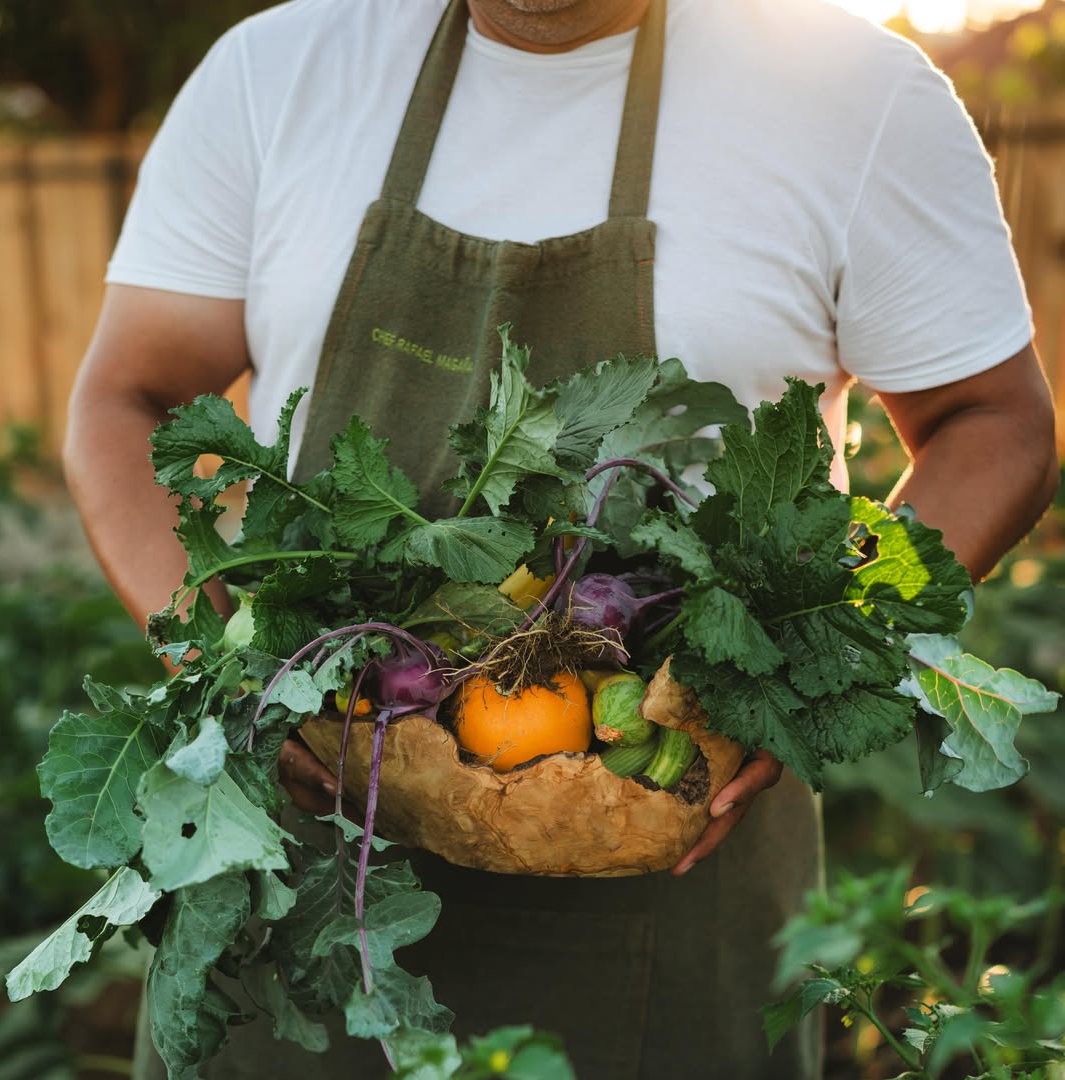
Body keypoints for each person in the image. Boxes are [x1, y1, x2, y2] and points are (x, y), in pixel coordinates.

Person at [63, 0, 1058, 1077]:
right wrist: (234, 681)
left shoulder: (855, 95)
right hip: (295, 891)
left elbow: (992, 424)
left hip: (672, 859)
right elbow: (127, 399)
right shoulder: (276, 72)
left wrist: (821, 651)